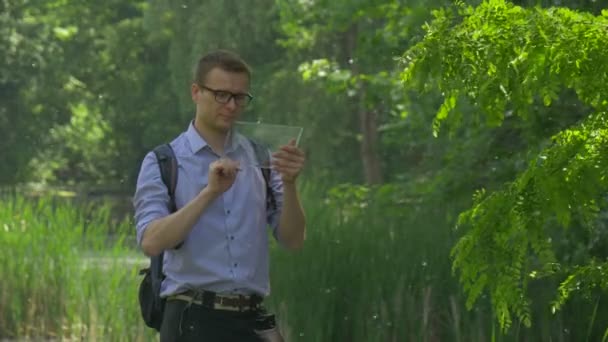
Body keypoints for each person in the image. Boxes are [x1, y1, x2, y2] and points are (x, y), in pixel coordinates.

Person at [133, 50, 306, 342]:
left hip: (253, 319)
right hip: (192, 317)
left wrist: (290, 184)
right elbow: (151, 242)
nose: (231, 106)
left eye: (240, 97)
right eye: (221, 95)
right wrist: (210, 193)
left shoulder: (262, 158)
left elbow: (293, 240)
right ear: (196, 92)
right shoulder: (164, 161)